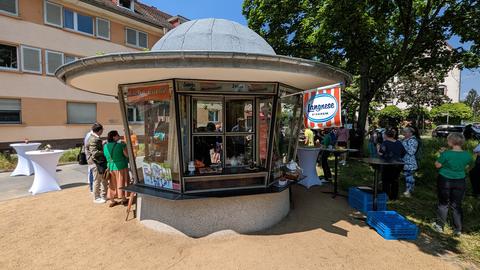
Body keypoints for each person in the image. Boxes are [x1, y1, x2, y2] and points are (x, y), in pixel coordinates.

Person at [433, 133, 472, 236]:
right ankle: (458, 229)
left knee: (443, 203)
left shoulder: (446, 154)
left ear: (451, 142)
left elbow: (437, 165)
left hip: (445, 180)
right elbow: (467, 167)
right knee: (456, 205)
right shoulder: (467, 154)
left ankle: (439, 226)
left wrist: (441, 154)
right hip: (460, 181)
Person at [377, 128, 406, 200]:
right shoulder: (399, 142)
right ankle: (394, 197)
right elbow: (403, 153)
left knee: (386, 181)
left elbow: (381, 153)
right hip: (398, 164)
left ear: (386, 135)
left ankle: (385, 196)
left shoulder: (385, 143)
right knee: (395, 181)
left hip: (388, 164)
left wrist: (377, 148)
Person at [103, 130, 130, 207]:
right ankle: (123, 198)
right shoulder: (120, 145)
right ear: (114, 137)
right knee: (121, 182)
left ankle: (112, 199)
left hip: (110, 167)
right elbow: (127, 155)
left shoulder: (105, 146)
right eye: (117, 135)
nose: (119, 136)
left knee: (112, 183)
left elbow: (106, 156)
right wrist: (125, 146)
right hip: (121, 166)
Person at [87, 123, 107, 204]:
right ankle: (96, 197)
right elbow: (94, 152)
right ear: (99, 130)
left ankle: (102, 195)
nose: (102, 131)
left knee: (102, 179)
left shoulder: (94, 137)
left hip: (97, 162)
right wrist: (104, 152)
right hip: (96, 162)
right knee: (97, 180)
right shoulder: (94, 139)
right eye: (102, 130)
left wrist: (102, 144)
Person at [401, 127, 418, 198]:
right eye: (403, 132)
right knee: (407, 177)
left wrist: (402, 145)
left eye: (405, 132)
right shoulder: (405, 140)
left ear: (411, 133)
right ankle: (409, 190)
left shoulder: (412, 141)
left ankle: (409, 192)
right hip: (406, 162)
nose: (404, 133)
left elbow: (411, 152)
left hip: (410, 163)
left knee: (409, 177)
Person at [83, 127, 94, 193]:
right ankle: (92, 188)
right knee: (92, 172)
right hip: (91, 156)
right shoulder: (91, 136)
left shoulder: (88, 134)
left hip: (89, 156)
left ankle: (92, 186)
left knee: (91, 171)